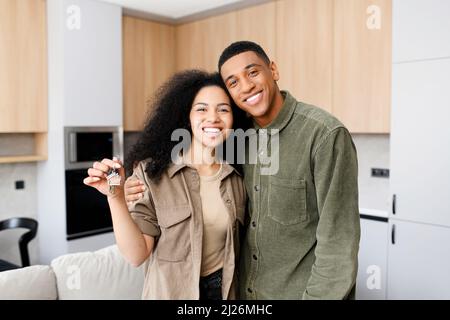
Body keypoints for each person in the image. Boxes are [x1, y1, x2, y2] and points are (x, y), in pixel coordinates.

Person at [125, 41, 360, 300]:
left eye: (253, 72)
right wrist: (133, 189)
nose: (246, 86)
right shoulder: (235, 140)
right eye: (233, 82)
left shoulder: (324, 136)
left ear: (273, 70)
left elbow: (338, 243)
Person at [84, 70, 248, 300]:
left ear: (234, 119)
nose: (213, 118)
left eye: (223, 109)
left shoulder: (238, 178)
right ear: (186, 117)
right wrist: (116, 197)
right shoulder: (151, 174)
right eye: (201, 108)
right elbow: (136, 255)